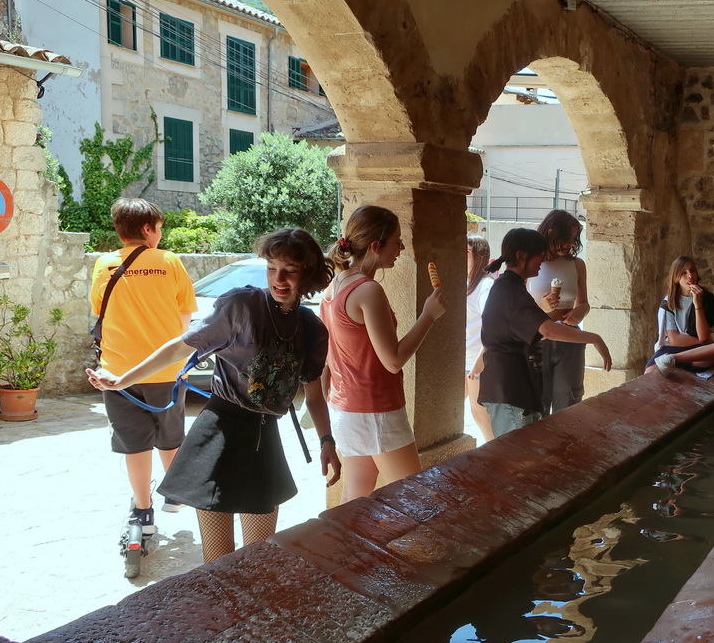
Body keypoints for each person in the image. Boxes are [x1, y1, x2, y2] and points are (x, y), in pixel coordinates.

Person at [87, 228, 340, 563]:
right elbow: (181, 346)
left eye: (290, 271)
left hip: (264, 441)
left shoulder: (311, 327)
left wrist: (327, 441)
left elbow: (314, 394)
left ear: (305, 275)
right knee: (218, 563)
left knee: (257, 559)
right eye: (272, 268)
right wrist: (122, 380)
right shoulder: (241, 306)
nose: (278, 279)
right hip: (218, 436)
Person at [322, 205, 445, 502]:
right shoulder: (367, 290)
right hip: (374, 409)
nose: (401, 249)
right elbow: (392, 361)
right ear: (376, 247)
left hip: (345, 407)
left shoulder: (333, 287)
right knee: (416, 499)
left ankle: (340, 549)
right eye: (396, 242)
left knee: (354, 497)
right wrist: (428, 316)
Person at [90, 198, 196, 538]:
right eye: (159, 228)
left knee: (132, 443)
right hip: (166, 371)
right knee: (170, 437)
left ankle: (143, 509)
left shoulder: (104, 264)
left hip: (117, 374)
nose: (160, 234)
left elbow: (99, 312)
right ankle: (175, 495)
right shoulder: (169, 261)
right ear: (148, 229)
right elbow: (185, 322)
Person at [479, 227, 611, 438]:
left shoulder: (511, 287)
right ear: (521, 256)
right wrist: (594, 338)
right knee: (517, 463)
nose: (542, 259)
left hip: (515, 390)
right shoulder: (511, 292)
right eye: (539, 254)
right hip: (509, 391)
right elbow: (548, 330)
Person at [526, 210, 591, 412]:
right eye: (568, 238)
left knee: (569, 404)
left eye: (574, 238)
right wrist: (540, 308)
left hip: (570, 339)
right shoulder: (529, 263)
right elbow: (516, 308)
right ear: (552, 232)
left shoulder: (577, 265)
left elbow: (584, 303)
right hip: (537, 340)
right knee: (537, 404)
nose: (572, 243)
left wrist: (579, 312)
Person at [645, 256, 714, 377]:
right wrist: (708, 344)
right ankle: (670, 360)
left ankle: (674, 359)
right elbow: (674, 339)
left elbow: (703, 337)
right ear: (676, 278)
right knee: (648, 374)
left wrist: (697, 303)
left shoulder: (707, 299)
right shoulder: (669, 302)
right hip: (673, 349)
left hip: (697, 355)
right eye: (684, 273)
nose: (690, 276)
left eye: (692, 270)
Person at [465, 234, 494, 442]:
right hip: (463, 360)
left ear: (479, 256)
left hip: (476, 360)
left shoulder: (485, 285)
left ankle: (494, 451)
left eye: (466, 253)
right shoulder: (464, 283)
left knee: (480, 413)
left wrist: (479, 360)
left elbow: (492, 324)